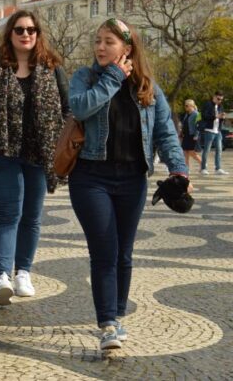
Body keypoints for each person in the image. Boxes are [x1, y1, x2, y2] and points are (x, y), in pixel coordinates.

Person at [68, 18, 189, 350]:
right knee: (105, 250)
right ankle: (107, 322)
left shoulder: (147, 87)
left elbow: (165, 133)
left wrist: (180, 171)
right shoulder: (86, 77)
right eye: (97, 41)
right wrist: (112, 77)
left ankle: (116, 314)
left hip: (133, 179)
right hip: (91, 178)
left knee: (124, 253)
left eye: (108, 41)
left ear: (127, 47)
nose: (100, 47)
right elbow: (80, 107)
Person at [0, 9, 69, 306]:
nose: (26, 34)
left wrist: (59, 143)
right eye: (19, 30)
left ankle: (23, 272)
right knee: (7, 214)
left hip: (39, 152)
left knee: (32, 216)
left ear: (38, 34)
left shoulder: (52, 68)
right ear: (10, 34)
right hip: (2, 152)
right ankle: (2, 276)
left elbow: (67, 108)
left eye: (31, 30)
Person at [200, 91, 227, 175]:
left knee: (219, 150)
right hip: (209, 130)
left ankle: (218, 168)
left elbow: (220, 119)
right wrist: (216, 116)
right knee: (206, 150)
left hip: (217, 130)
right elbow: (204, 116)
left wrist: (223, 117)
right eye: (218, 99)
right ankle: (203, 168)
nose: (220, 101)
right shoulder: (207, 104)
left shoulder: (220, 106)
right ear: (214, 97)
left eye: (221, 99)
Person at [180, 99, 202, 172]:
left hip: (192, 135)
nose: (185, 107)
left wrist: (196, 135)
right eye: (185, 105)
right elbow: (185, 125)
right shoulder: (187, 114)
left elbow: (199, 125)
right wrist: (181, 133)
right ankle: (186, 169)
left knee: (192, 153)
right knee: (185, 152)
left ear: (191, 106)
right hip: (186, 135)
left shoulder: (197, 114)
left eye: (186, 105)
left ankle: (202, 164)